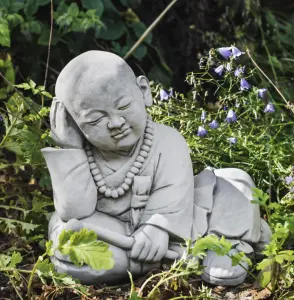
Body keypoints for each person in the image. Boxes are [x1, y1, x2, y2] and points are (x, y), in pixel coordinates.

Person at [42, 51, 271, 286]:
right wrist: (69, 148)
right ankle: (154, 260)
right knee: (68, 243)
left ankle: (228, 245)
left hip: (180, 225)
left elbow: (174, 192)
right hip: (118, 233)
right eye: (94, 120)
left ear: (144, 91)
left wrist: (157, 227)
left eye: (124, 106)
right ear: (73, 124)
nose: (116, 123)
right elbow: (76, 211)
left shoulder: (167, 140)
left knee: (234, 183)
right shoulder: (82, 154)